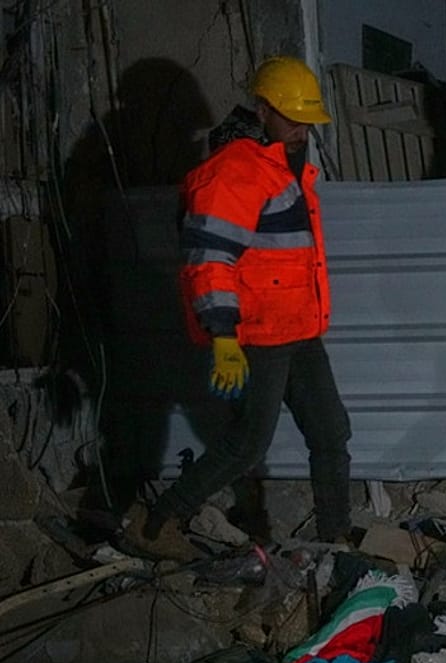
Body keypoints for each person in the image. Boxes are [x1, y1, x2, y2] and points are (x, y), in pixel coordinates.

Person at [122, 56, 352, 561]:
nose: (302, 129)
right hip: (256, 334)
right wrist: (224, 335)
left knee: (332, 432)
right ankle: (156, 523)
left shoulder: (281, 168)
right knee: (247, 443)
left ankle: (337, 540)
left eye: (308, 119)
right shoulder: (233, 173)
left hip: (297, 330)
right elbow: (209, 259)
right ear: (263, 109)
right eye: (293, 118)